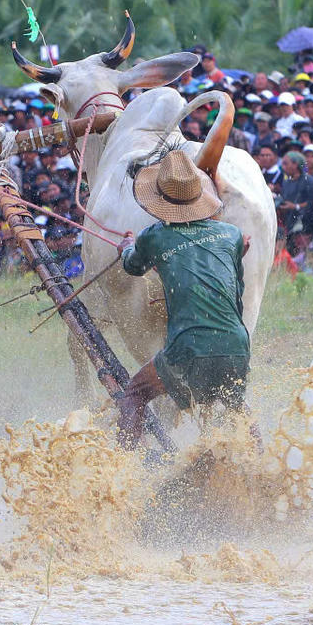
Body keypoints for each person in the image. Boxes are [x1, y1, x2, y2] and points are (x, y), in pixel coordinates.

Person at [114, 149, 252, 449]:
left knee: (134, 395)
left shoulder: (154, 236)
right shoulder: (232, 235)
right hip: (236, 344)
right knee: (238, 411)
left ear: (160, 199)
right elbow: (237, 294)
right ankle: (265, 466)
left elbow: (133, 266)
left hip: (189, 346)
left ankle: (120, 470)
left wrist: (126, 247)